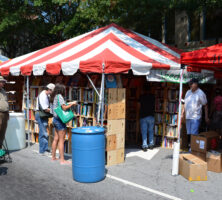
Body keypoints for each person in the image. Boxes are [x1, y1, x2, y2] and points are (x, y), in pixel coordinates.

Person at [50, 84, 77, 165]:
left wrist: (69, 103)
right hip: (60, 120)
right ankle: (62, 160)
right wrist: (72, 104)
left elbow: (56, 107)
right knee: (62, 140)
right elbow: (64, 108)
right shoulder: (59, 96)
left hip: (55, 119)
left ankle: (53, 157)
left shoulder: (53, 96)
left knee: (56, 139)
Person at [182, 78, 209, 147]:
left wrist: (206, 117)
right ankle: (190, 148)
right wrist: (182, 114)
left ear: (196, 84)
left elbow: (205, 105)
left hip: (196, 117)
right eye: (189, 84)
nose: (190, 85)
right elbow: (185, 103)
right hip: (188, 116)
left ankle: (193, 149)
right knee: (189, 133)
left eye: (191, 84)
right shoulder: (188, 92)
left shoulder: (201, 93)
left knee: (194, 134)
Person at [35, 83, 55, 155]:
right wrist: (55, 110)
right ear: (49, 90)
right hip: (41, 115)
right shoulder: (43, 96)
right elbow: (45, 109)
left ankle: (45, 149)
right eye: (53, 91)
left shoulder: (47, 94)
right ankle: (42, 151)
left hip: (42, 115)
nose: (53, 93)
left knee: (45, 132)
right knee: (43, 133)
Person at [139, 85, 155, 152]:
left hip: (143, 116)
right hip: (151, 116)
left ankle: (145, 145)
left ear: (143, 90)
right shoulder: (153, 96)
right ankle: (151, 144)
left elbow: (138, 106)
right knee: (151, 131)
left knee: (144, 132)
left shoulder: (141, 97)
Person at [0, 76, 9, 151]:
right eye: (2, 82)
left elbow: (5, 102)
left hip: (5, 114)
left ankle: (0, 150)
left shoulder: (3, 90)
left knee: (2, 132)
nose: (3, 83)